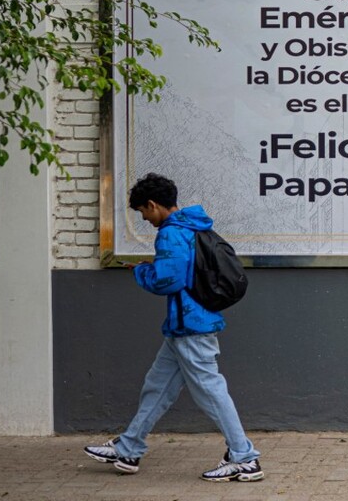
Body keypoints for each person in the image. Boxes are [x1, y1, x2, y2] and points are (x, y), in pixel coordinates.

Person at [83, 173, 263, 482]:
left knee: (211, 392)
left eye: (143, 212)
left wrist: (142, 273)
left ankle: (244, 458)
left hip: (191, 326)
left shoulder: (171, 233)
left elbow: (170, 279)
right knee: (157, 387)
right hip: (185, 326)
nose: (144, 218)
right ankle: (129, 448)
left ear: (153, 205)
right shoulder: (193, 227)